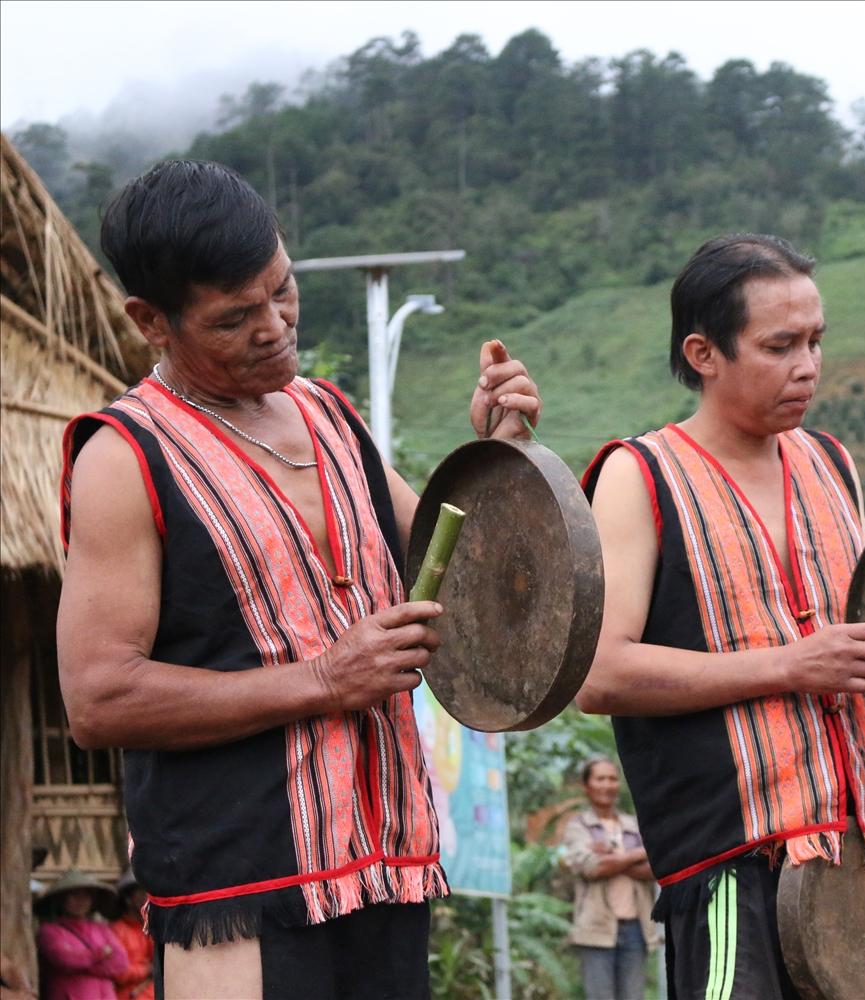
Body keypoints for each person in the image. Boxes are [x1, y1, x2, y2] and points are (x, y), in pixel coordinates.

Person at [55, 160, 543, 999]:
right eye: (236, 317)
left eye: (282, 290)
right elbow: (98, 698)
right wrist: (324, 680)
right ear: (151, 321)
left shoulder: (331, 416)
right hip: (238, 893)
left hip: (387, 868)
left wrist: (499, 453)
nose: (276, 327)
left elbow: (458, 576)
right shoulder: (123, 459)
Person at [579, 233, 865, 998]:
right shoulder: (640, 476)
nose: (807, 365)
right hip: (733, 868)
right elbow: (599, 673)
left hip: (859, 863)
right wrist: (791, 664)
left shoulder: (832, 463)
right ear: (704, 353)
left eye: (816, 341)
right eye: (779, 345)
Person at [560, 756, 659, 1000]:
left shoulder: (634, 825)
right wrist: (638, 853)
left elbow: (656, 869)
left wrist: (613, 857)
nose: (607, 784)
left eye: (612, 779)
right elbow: (592, 869)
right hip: (596, 929)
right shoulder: (578, 826)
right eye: (600, 778)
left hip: (637, 928)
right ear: (587, 786)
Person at [35, 870, 126, 1000]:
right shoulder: (49, 931)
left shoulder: (101, 929)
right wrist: (100, 954)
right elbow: (65, 960)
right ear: (61, 899)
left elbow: (121, 963)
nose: (80, 900)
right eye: (73, 895)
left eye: (85, 895)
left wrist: (82, 965)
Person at [107, 871, 152, 1000]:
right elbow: (119, 973)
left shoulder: (150, 928)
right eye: (142, 892)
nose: (148, 897)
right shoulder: (116, 930)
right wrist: (148, 970)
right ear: (128, 899)